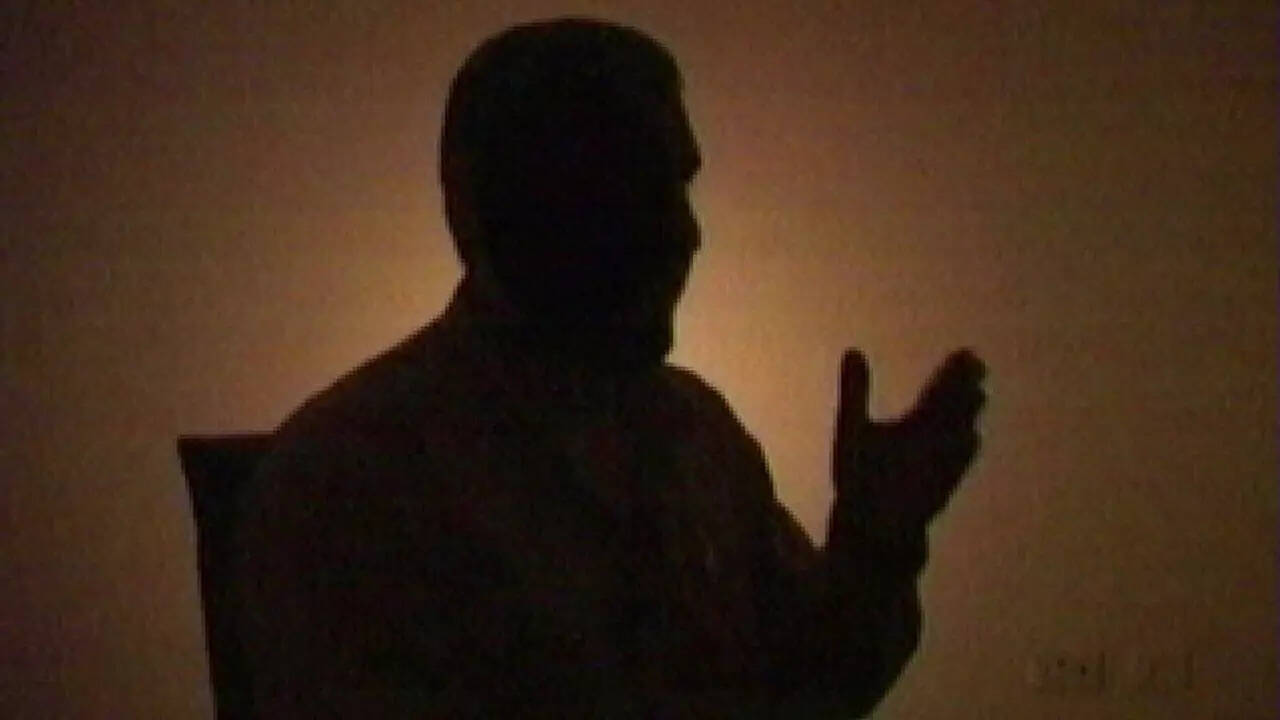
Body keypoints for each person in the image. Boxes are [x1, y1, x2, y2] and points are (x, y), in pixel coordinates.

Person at [232, 17, 986, 718]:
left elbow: (808, 688)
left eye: (677, 187)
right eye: (630, 190)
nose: (686, 233)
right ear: (501, 208)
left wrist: (876, 549)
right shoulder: (352, 480)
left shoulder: (699, 435)